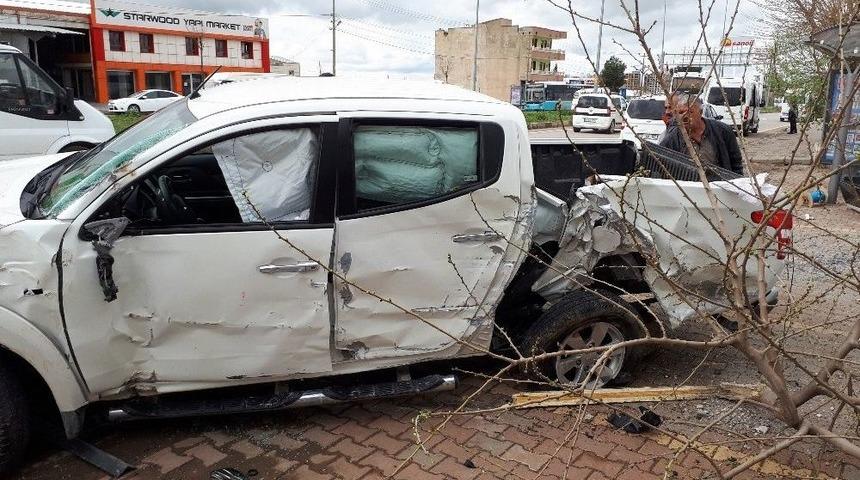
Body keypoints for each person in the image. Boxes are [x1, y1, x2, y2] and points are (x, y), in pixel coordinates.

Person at [659, 93, 744, 174]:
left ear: (700, 112)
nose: (684, 116)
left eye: (690, 112)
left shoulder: (722, 131)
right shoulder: (672, 137)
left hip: (718, 186)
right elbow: (660, 162)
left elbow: (736, 163)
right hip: (688, 186)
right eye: (680, 112)